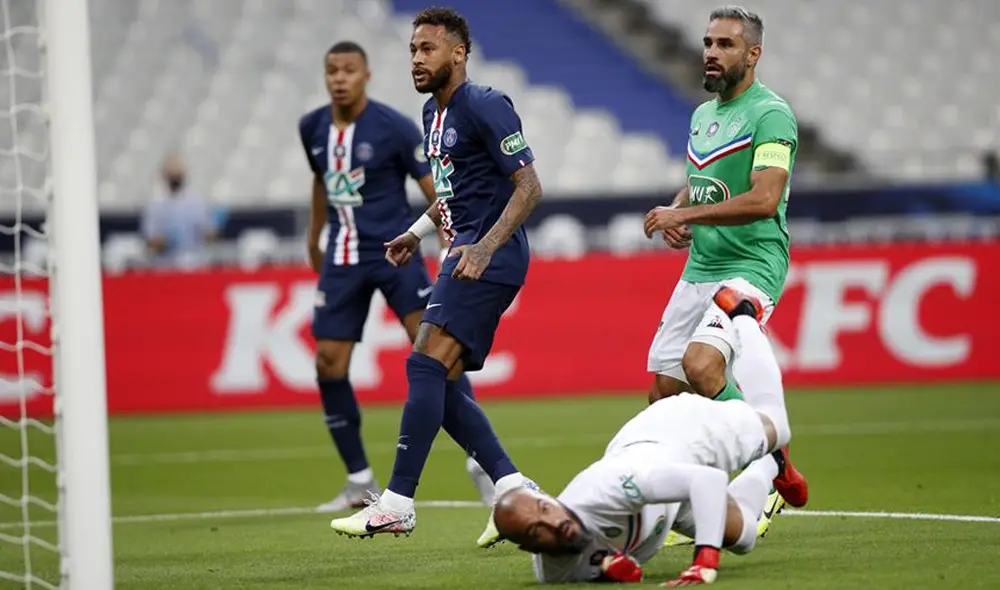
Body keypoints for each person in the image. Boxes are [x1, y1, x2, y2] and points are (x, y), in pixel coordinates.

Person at [329, 7, 543, 540]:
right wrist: (415, 232)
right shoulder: (433, 114)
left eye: (428, 49)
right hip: (462, 252)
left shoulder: (486, 105)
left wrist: (485, 248)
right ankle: (513, 489)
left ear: (458, 53)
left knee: (425, 363)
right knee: (439, 379)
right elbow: (452, 194)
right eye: (412, 50)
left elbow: (530, 187)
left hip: (489, 256)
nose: (417, 59)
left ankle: (399, 500)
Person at [493, 287, 804, 586]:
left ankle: (744, 315)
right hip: (662, 494)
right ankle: (769, 466)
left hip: (679, 435)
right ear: (529, 548)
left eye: (545, 509)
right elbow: (602, 566)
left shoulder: (605, 490)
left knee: (777, 425)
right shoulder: (553, 571)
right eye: (536, 532)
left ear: (549, 499)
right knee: (744, 538)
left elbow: (706, 480)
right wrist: (610, 568)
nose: (553, 523)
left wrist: (704, 560)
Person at [299, 40, 492, 513]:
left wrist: (448, 240)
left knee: (434, 353)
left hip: (393, 252)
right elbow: (323, 180)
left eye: (348, 70)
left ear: (366, 76)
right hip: (342, 256)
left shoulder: (393, 127)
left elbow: (435, 187)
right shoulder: (312, 127)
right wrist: (314, 235)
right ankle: (357, 479)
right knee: (327, 361)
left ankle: (481, 462)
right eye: (332, 71)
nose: (339, 78)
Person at [641, 6, 808, 529]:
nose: (712, 52)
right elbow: (700, 180)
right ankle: (694, 510)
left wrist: (684, 211)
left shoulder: (772, 115)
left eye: (726, 44)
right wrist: (679, 211)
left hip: (752, 265)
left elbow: (763, 198)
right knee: (664, 391)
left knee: (703, 366)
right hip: (700, 265)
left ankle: (773, 467)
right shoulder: (701, 115)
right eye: (709, 42)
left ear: (752, 54)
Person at [140, 153, 218, 269]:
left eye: (177, 172)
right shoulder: (155, 205)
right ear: (164, 174)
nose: (175, 176)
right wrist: (162, 241)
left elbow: (210, 233)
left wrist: (209, 234)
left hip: (195, 264)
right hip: (166, 266)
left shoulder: (197, 203)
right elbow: (150, 239)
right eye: (172, 172)